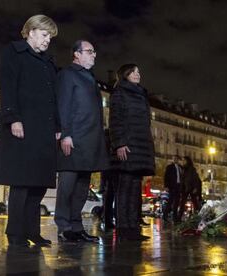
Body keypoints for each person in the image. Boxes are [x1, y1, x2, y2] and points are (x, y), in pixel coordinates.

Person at [0, 15, 60, 248]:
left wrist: (58, 127)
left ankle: (32, 231)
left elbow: (54, 98)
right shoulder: (13, 52)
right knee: (22, 182)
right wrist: (13, 118)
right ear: (31, 31)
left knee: (39, 183)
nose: (47, 41)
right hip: (23, 126)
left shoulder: (48, 61)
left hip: (44, 130)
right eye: (45, 35)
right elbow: (8, 86)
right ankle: (15, 233)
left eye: (50, 38)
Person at [55, 40, 109, 242]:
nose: (94, 55)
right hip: (74, 138)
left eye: (94, 51)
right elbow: (63, 105)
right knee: (67, 185)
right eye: (90, 51)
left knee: (82, 187)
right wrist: (65, 133)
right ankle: (64, 226)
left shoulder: (90, 77)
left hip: (90, 139)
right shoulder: (67, 74)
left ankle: (76, 227)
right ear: (77, 54)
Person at [109, 64, 155, 241]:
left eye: (139, 71)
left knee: (135, 188)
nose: (138, 74)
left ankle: (133, 228)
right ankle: (123, 229)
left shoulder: (141, 94)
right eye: (134, 71)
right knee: (125, 187)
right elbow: (115, 120)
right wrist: (119, 143)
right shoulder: (120, 93)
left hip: (140, 146)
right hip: (127, 145)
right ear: (125, 75)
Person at [178, 156, 202, 221]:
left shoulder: (192, 169)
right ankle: (179, 217)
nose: (183, 162)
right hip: (184, 188)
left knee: (195, 202)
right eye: (182, 160)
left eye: (184, 160)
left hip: (191, 187)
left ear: (187, 161)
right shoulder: (183, 169)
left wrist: (195, 188)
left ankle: (198, 216)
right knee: (182, 203)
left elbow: (196, 179)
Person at [163, 155, 183, 222]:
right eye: (174, 159)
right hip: (172, 186)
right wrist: (166, 186)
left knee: (177, 202)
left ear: (178, 159)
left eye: (176, 159)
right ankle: (165, 215)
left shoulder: (180, 167)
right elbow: (166, 177)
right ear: (172, 159)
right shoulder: (169, 167)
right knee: (170, 201)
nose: (175, 160)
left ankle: (175, 217)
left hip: (179, 186)